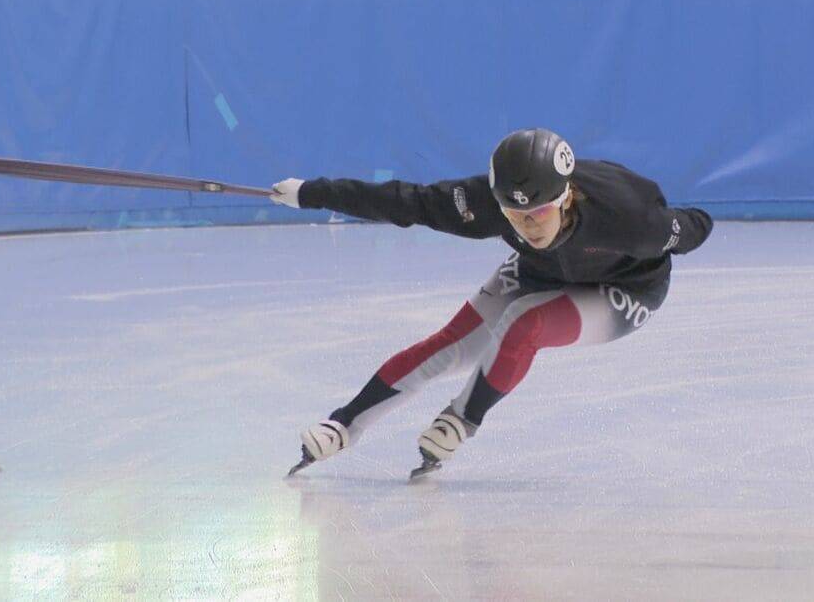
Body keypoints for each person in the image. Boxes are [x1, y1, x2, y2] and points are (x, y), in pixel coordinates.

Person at [270, 128, 713, 478]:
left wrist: (680, 227)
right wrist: (312, 193)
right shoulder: (486, 205)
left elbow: (697, 226)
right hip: (544, 270)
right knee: (450, 343)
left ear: (565, 198)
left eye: (538, 212)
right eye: (514, 215)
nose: (527, 226)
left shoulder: (629, 220)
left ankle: (463, 419)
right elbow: (405, 202)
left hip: (628, 289)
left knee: (525, 323)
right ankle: (345, 423)